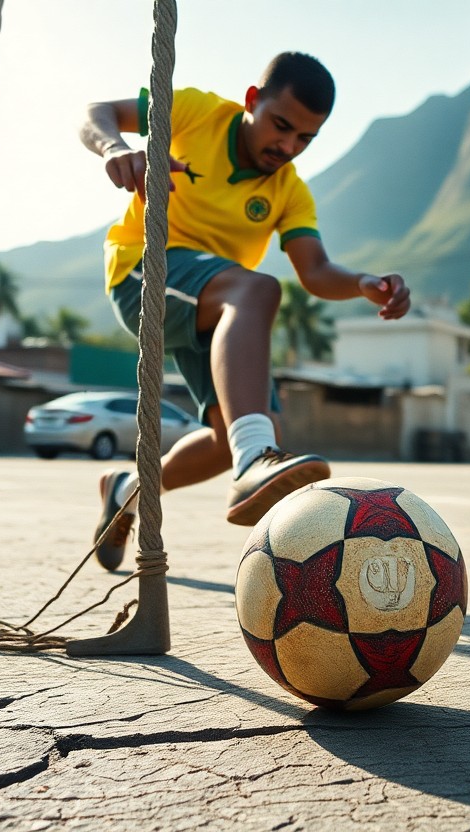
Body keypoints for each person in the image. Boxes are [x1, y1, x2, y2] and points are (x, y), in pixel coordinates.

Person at [79, 52, 410, 570]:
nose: (288, 147)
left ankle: (127, 490)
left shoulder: (289, 191)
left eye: (305, 139)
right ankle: (254, 459)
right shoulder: (193, 112)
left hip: (214, 300)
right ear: (252, 101)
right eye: (281, 126)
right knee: (256, 293)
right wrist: (116, 148)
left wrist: (364, 284)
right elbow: (96, 112)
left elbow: (317, 271)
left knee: (232, 434)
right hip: (142, 270)